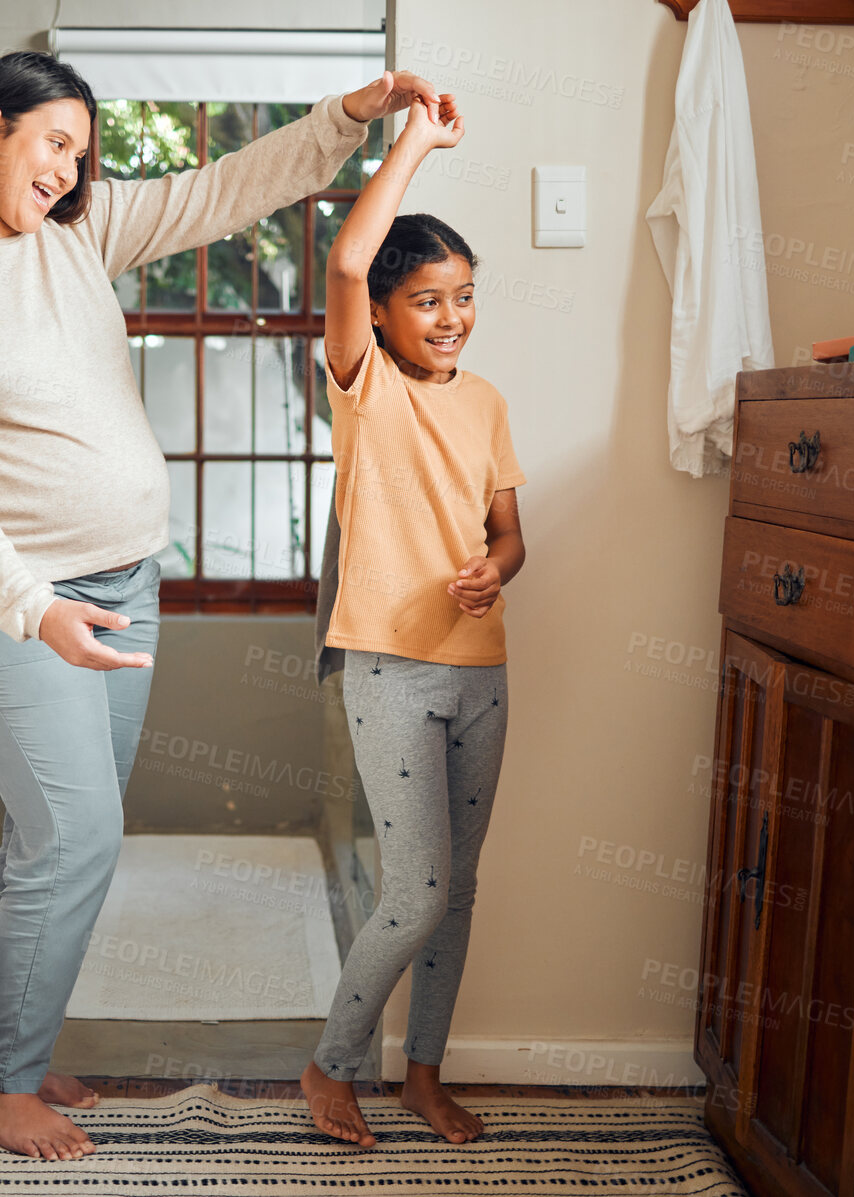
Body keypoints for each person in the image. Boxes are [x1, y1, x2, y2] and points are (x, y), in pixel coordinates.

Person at [0, 49, 444, 1163]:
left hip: (125, 586)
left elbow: (232, 186)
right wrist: (35, 610)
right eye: (52, 145)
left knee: (54, 836)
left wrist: (351, 115)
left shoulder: (80, 234)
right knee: (75, 832)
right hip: (3, 604)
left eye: (81, 152)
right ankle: (3, 1086)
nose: (68, 171)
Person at [303, 90, 527, 1148]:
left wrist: (495, 570)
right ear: (386, 316)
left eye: (466, 296)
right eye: (430, 300)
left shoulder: (484, 402)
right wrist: (413, 145)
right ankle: (329, 1066)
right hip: (389, 670)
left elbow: (510, 535)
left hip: (479, 672)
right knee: (417, 890)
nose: (452, 318)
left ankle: (422, 1075)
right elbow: (347, 262)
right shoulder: (364, 392)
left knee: (458, 891)